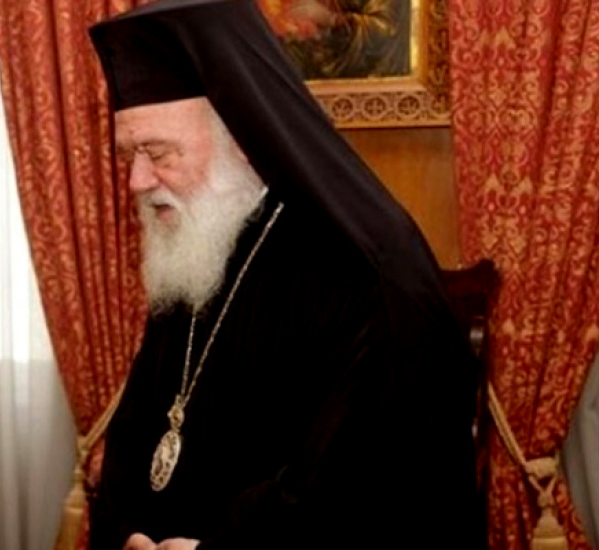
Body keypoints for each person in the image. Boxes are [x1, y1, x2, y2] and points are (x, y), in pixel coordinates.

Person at [86, 1, 478, 548]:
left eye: (159, 153)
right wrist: (128, 530)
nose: (137, 181)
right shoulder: (197, 248)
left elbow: (360, 483)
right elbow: (136, 439)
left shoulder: (368, 275)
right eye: (128, 154)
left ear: (244, 140)